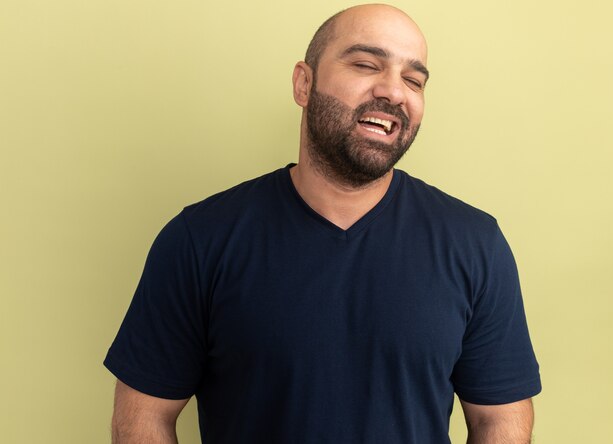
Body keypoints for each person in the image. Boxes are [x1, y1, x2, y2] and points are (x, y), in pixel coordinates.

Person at [104, 4, 541, 443]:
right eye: (367, 64)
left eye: (414, 79)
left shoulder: (475, 245)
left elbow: (499, 421)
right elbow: (143, 417)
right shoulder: (199, 240)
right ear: (304, 83)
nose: (393, 91)